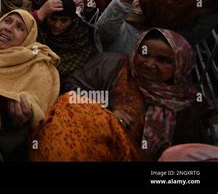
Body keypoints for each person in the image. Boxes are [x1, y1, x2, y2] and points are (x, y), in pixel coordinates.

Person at [60, 28, 209, 160]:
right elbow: (71, 89)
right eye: (144, 54)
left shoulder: (184, 105)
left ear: (180, 65)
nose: (149, 64)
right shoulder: (110, 65)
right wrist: (105, 110)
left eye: (163, 60)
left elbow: (186, 152)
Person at [35, 0, 99, 77]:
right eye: (53, 19)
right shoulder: (37, 33)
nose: (57, 25)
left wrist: (90, 0)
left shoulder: (83, 38)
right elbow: (32, 53)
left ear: (72, 20)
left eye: (64, 20)